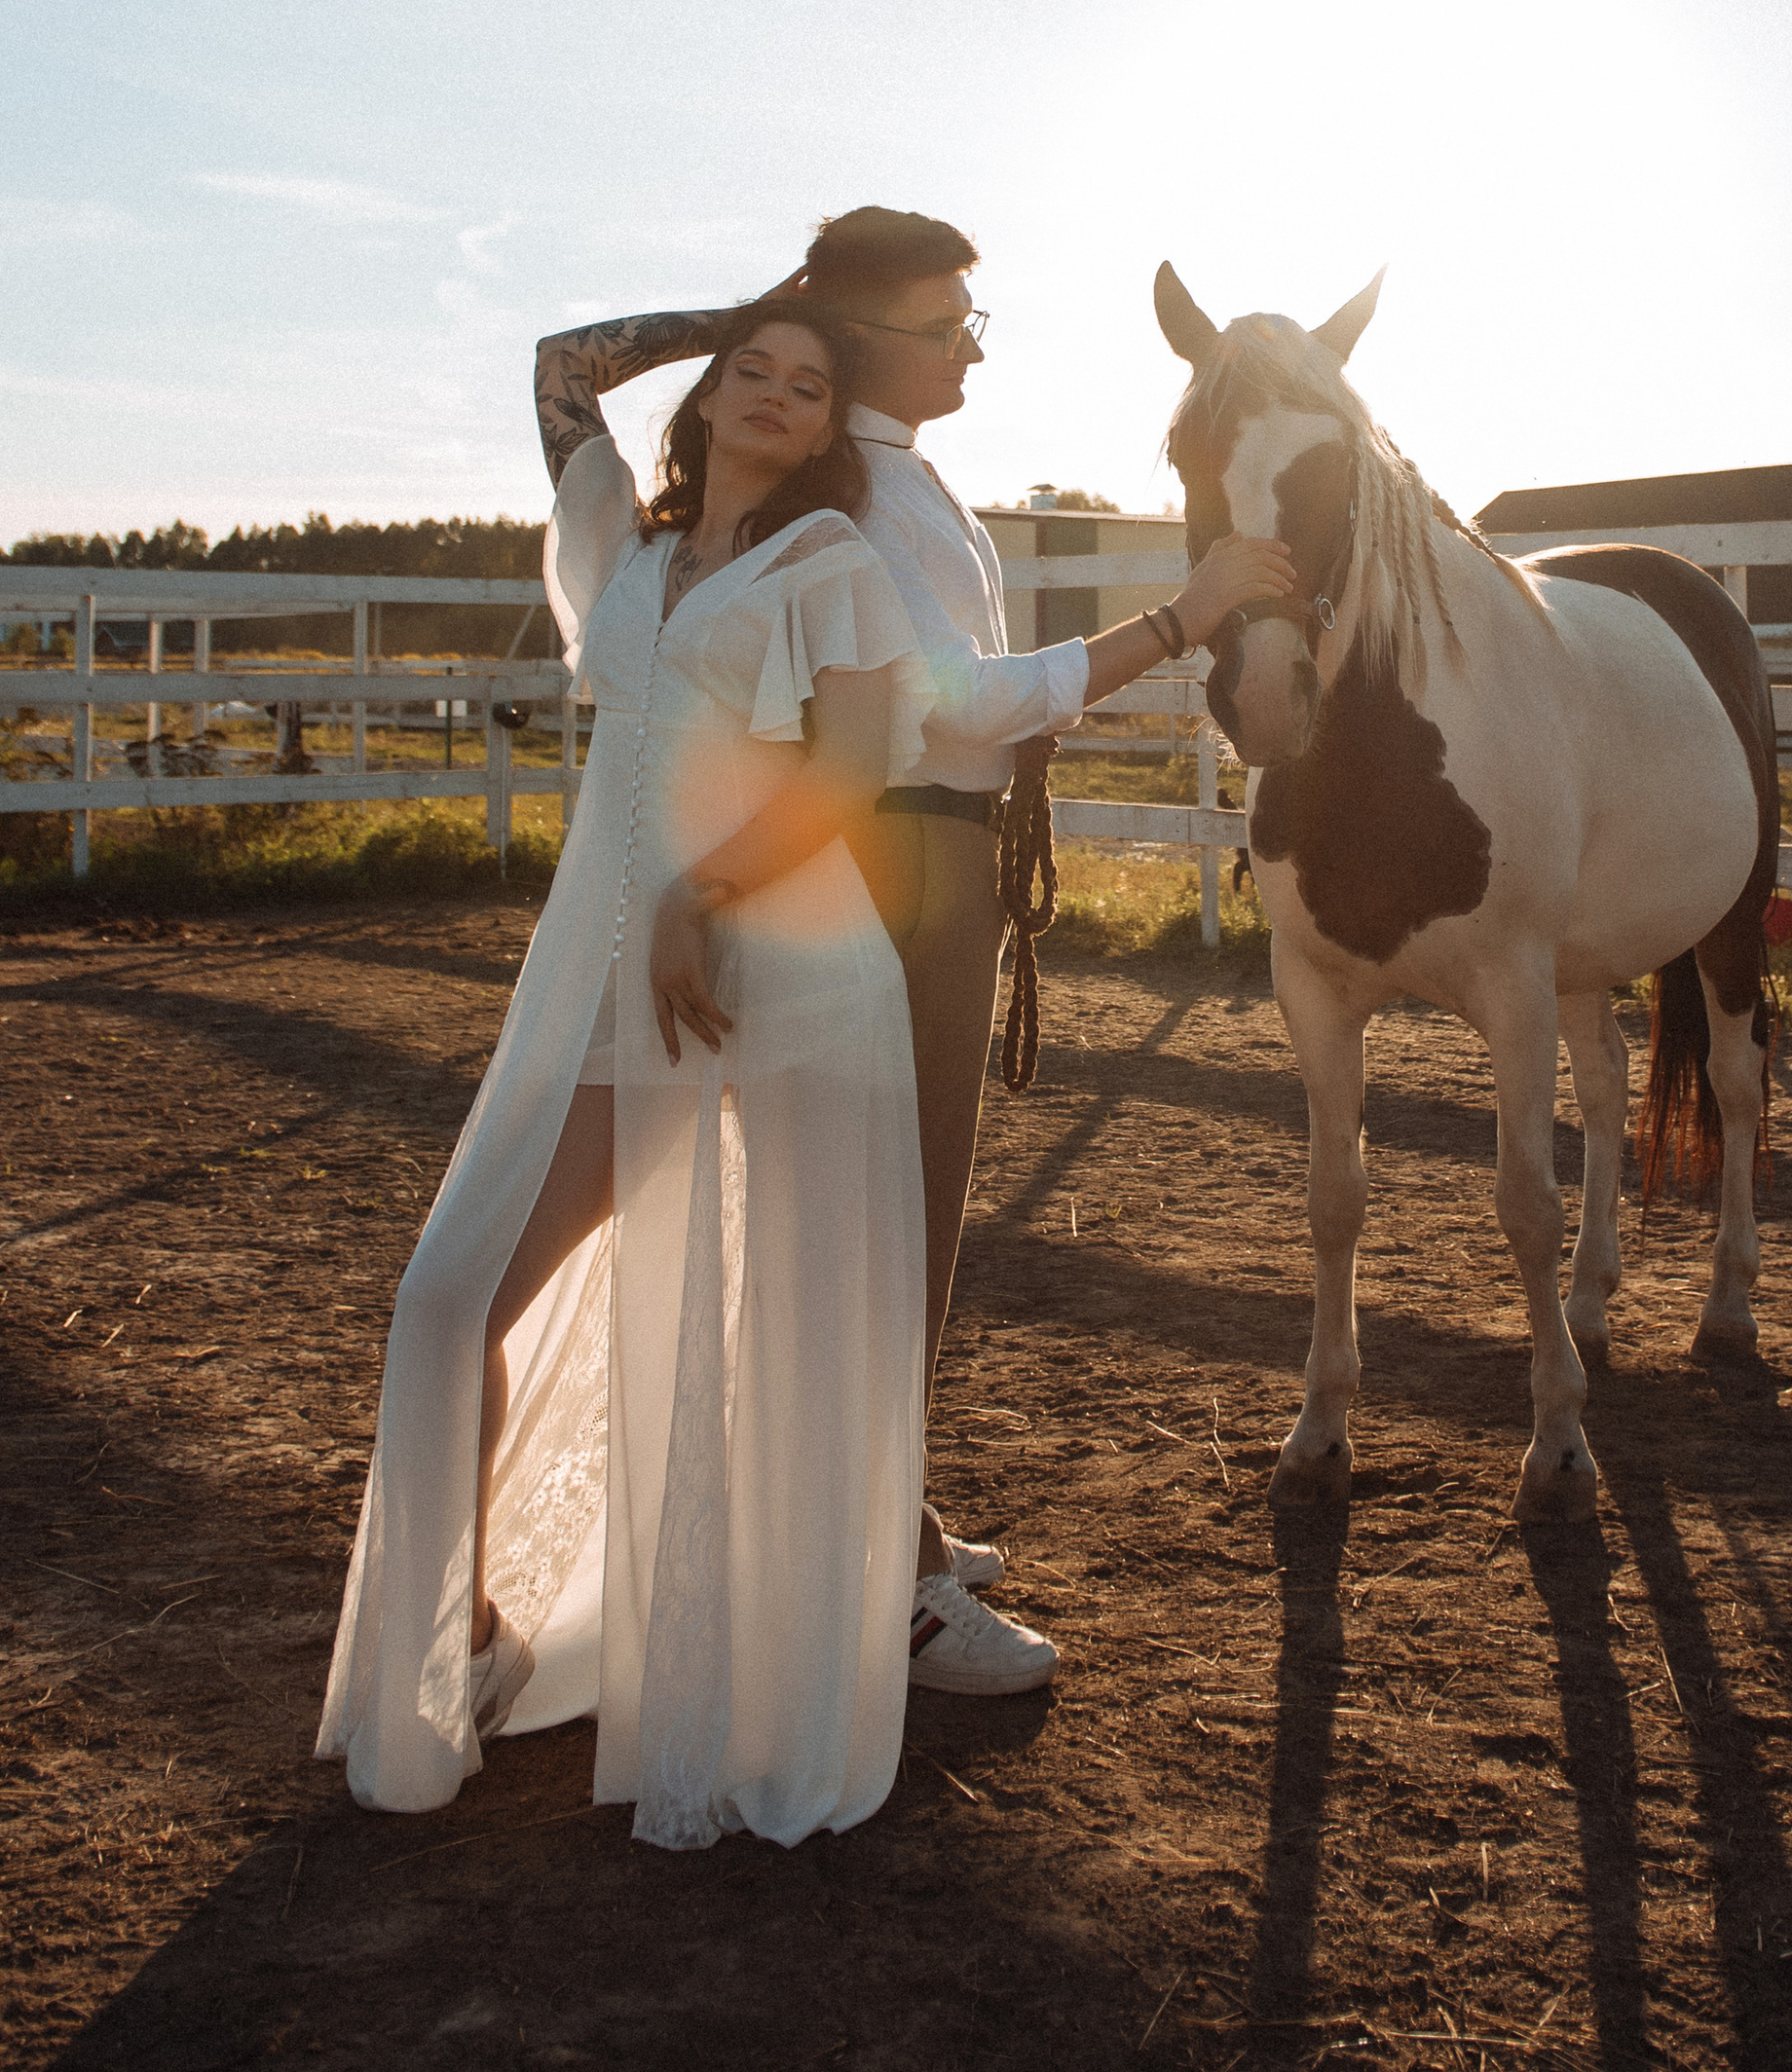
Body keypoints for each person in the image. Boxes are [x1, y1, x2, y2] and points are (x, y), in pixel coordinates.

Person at [317, 296, 935, 1847]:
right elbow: (559, 371)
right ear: (712, 390)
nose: (783, 396)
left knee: (788, 1343)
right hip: (610, 994)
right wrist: (750, 302)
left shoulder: (833, 569)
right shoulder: (630, 554)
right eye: (757, 372)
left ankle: (771, 1702)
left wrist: (702, 892)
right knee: (450, 1298)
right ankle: (468, 1640)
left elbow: (852, 770)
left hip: (791, 985)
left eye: (814, 382)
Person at [785, 207, 1294, 1692]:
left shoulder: (897, 479)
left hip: (940, 847)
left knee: (911, 1205)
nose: (968, 349)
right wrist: (1172, 620)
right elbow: (955, 704)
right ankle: (887, 1588)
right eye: (947, 325)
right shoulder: (866, 501)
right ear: (866, 335)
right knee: (902, 1208)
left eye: (970, 323)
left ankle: (898, 1516)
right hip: (910, 851)